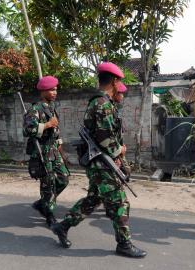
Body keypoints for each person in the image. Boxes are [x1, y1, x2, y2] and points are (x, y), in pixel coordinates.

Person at [51, 62, 147, 258]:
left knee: (93, 200)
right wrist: (119, 150)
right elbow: (106, 140)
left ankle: (63, 226)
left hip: (100, 163)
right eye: (119, 81)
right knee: (120, 203)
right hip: (103, 164)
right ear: (114, 80)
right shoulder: (102, 104)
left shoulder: (100, 103)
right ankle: (124, 244)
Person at [23, 75, 70, 228]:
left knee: (63, 178)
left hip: (54, 150)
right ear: (43, 91)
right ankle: (49, 214)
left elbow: (56, 131)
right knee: (48, 183)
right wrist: (48, 124)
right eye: (51, 89)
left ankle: (42, 203)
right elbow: (27, 130)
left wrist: (61, 148)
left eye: (55, 89)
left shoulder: (52, 108)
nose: (54, 92)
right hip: (41, 151)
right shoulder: (35, 109)